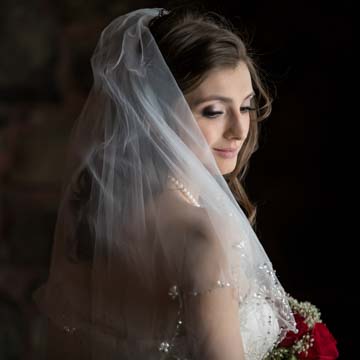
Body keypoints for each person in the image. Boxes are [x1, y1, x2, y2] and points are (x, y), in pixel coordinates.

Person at [34, 7, 296, 360]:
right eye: (214, 111)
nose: (238, 130)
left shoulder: (96, 216)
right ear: (154, 112)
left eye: (246, 108)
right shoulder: (201, 237)